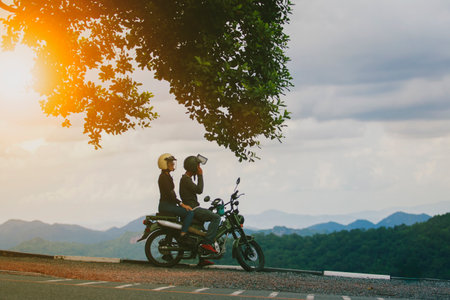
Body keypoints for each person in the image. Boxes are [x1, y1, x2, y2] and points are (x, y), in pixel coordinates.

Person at [180, 155, 221, 266]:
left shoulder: (185, 179)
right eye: (197, 165)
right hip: (193, 209)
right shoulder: (185, 180)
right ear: (193, 167)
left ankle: (202, 258)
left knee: (202, 230)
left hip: (194, 207)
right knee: (216, 217)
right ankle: (207, 244)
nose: (199, 167)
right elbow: (199, 190)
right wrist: (200, 175)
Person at [157, 153, 194, 240]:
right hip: (166, 206)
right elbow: (170, 195)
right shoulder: (163, 177)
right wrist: (182, 204)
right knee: (190, 213)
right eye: (170, 163)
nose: (173, 164)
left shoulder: (167, 176)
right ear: (164, 164)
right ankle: (183, 235)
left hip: (168, 205)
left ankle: (180, 233)